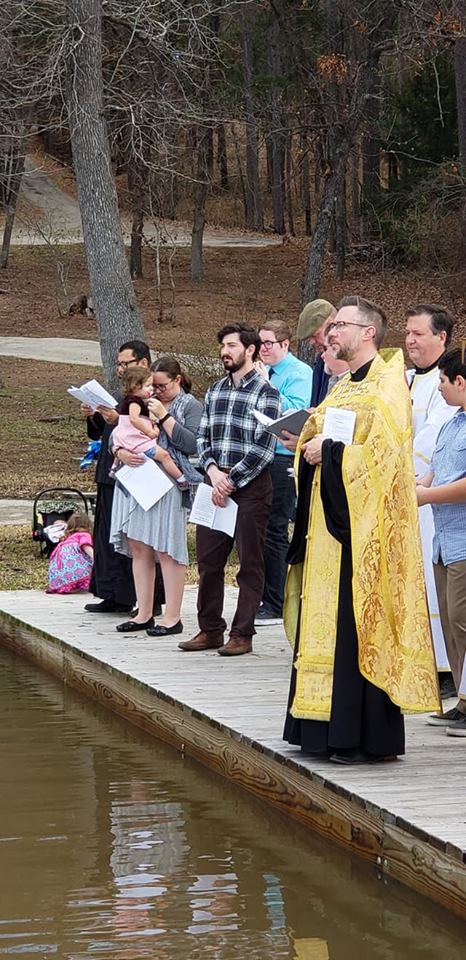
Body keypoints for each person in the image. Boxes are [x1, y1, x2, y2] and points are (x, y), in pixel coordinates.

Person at [283, 296, 440, 764]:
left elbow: (386, 461)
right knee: (324, 626)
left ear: (368, 332)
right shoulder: (341, 386)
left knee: (355, 628)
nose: (332, 333)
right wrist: (310, 446)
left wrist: (330, 453)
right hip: (325, 527)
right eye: (332, 327)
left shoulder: (387, 385)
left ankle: (357, 736)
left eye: (340, 325)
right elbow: (318, 433)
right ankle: (317, 730)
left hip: (362, 531)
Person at [179, 323, 280, 656]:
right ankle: (210, 629)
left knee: (249, 563)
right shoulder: (215, 390)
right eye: (223, 346)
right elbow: (202, 437)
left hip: (250, 486)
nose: (225, 351)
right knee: (208, 562)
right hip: (214, 482)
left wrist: (231, 479)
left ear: (250, 350)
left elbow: (264, 447)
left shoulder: (267, 393)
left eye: (232, 346)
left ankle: (242, 633)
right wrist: (212, 472)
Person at [110, 357, 203, 635]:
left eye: (161, 386)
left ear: (177, 380)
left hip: (167, 484)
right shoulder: (137, 401)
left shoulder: (190, 405)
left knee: (166, 547)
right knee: (139, 546)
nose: (155, 391)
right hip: (136, 478)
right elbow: (120, 432)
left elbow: (192, 444)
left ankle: (172, 617)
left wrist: (163, 416)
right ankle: (144, 612)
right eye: (152, 385)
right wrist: (119, 452)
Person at [406, 304, 458, 698]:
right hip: (410, 495)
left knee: (439, 591)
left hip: (427, 499)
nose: (410, 341)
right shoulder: (404, 379)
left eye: (418, 334)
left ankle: (444, 667)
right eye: (407, 333)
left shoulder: (449, 388)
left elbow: (431, 441)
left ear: (441, 337)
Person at [416, 347, 466, 736]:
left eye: (444, 382)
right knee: (451, 623)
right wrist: (416, 485)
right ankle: (463, 702)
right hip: (443, 543)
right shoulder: (452, 424)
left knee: (463, 620)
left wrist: (427, 496)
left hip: (463, 542)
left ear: (460, 381)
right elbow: (435, 469)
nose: (440, 389)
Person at [83, 340, 151, 615]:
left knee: (132, 538)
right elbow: (99, 433)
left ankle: (143, 598)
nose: (120, 369)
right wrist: (93, 415)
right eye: (118, 364)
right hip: (109, 470)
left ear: (143, 363)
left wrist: (116, 418)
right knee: (106, 534)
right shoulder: (120, 395)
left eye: (126, 363)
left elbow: (143, 431)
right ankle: (112, 594)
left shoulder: (147, 396)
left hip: (135, 472)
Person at [254, 319, 313, 627]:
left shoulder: (299, 373)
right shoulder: (261, 370)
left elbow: (296, 411)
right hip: (261, 455)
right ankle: (261, 594)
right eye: (260, 343)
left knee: (275, 529)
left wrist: (268, 385)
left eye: (268, 343)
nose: (263, 349)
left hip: (283, 456)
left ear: (285, 344)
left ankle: (276, 601)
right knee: (257, 530)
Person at [110, 365, 187, 487]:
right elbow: (134, 419)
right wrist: (149, 432)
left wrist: (154, 424)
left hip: (126, 439)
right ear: (135, 386)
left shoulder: (137, 401)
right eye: (148, 386)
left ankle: (114, 468)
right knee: (165, 456)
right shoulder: (134, 402)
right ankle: (181, 479)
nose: (152, 389)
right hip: (138, 441)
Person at [296, 299, 337, 406]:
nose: (312, 342)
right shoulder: (321, 361)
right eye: (309, 338)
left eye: (315, 335)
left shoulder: (350, 362)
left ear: (332, 326)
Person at [47, 512, 94, 594]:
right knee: (90, 561)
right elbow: (86, 547)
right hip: (77, 572)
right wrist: (97, 560)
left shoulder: (68, 538)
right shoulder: (84, 535)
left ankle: (65, 584)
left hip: (58, 576)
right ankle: (83, 582)